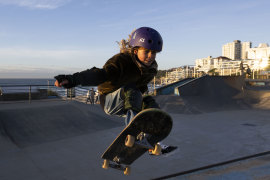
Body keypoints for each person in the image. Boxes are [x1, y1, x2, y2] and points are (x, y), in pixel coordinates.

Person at [54, 27, 177, 155]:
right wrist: (72, 79)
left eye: (154, 53)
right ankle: (134, 131)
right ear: (135, 51)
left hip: (128, 102)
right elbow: (98, 75)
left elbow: (141, 88)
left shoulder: (151, 69)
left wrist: (149, 111)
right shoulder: (121, 62)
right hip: (109, 100)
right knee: (131, 89)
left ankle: (154, 142)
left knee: (149, 102)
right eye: (146, 52)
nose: (150, 56)